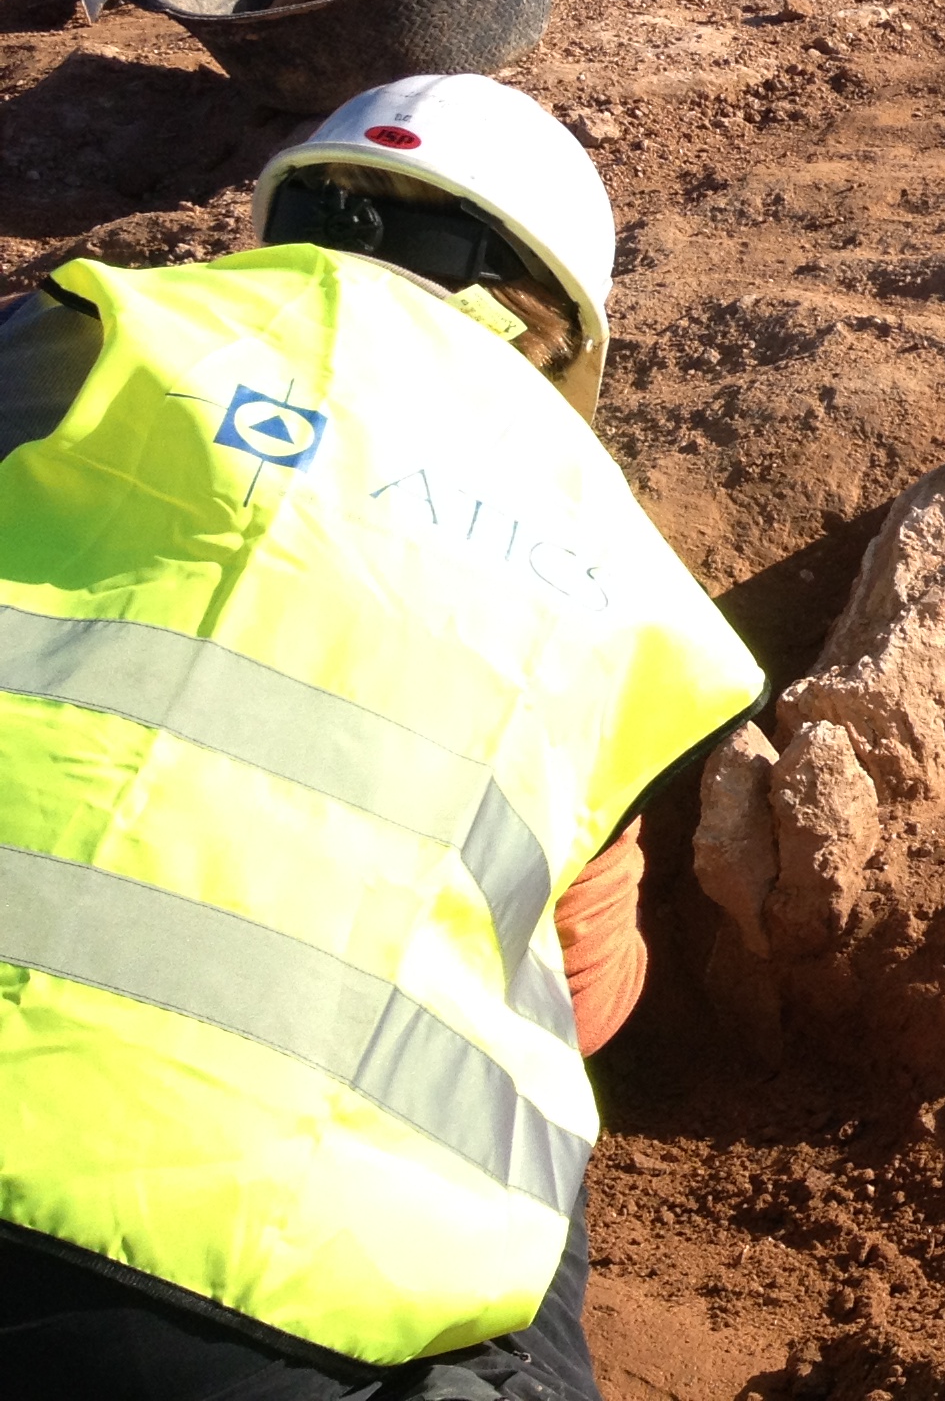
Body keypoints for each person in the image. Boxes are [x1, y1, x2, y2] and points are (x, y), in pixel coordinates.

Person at [0, 73, 766, 1400]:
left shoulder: (97, 335)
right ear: (557, 337)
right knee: (524, 1181)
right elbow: (584, 994)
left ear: (290, 228)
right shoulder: (617, 567)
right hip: (270, 1304)